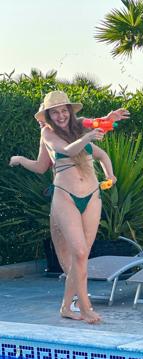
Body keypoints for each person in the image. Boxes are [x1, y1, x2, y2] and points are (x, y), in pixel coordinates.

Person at [9, 91, 129, 323]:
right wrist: (21, 160)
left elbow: (96, 129)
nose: (61, 115)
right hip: (66, 196)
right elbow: (66, 151)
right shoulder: (47, 133)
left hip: (92, 196)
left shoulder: (79, 125)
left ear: (70, 112)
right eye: (55, 112)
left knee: (82, 257)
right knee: (79, 252)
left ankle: (66, 306)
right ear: (48, 116)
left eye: (64, 110)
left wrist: (108, 119)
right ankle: (85, 308)